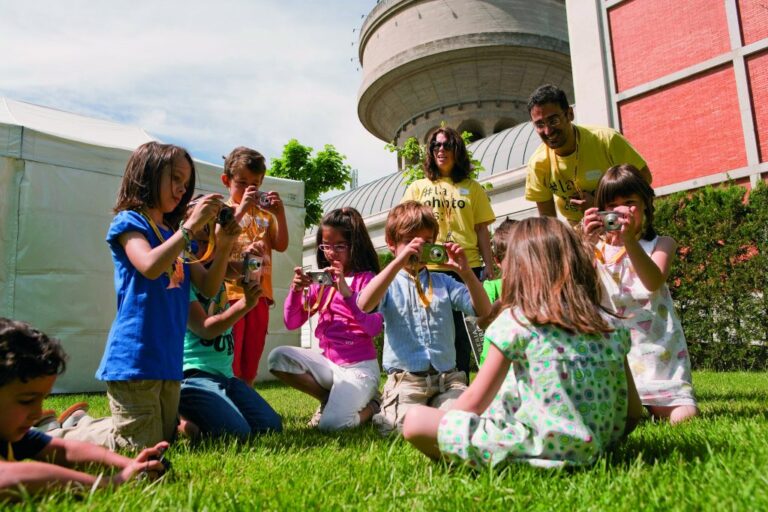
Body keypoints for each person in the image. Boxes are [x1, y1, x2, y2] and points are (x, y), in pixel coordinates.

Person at [402, 217, 643, 468]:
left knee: (417, 420)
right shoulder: (609, 324)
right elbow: (632, 412)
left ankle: (499, 460)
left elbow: (472, 402)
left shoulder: (515, 322)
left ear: (518, 269)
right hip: (594, 448)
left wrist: (447, 430)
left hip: (530, 446)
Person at [59, 142, 233, 451]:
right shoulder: (130, 223)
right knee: (138, 446)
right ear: (148, 174)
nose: (182, 189)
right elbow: (150, 266)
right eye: (176, 178)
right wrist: (191, 227)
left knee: (160, 440)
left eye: (186, 182)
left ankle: (85, 423)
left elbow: (207, 288)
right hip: (135, 357)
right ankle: (65, 432)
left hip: (167, 360)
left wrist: (226, 243)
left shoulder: (174, 235)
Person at [357, 201, 491, 436]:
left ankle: (430, 410)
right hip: (408, 381)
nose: (418, 250)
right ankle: (388, 406)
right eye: (410, 242)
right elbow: (364, 304)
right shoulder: (389, 284)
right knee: (401, 430)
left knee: (461, 426)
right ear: (392, 244)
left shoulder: (444, 283)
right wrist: (398, 262)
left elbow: (483, 310)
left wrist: (466, 272)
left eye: (426, 243)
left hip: (447, 380)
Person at [0, 318, 169, 500]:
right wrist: (111, 482)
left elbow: (64, 450)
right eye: (26, 400)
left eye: (42, 399)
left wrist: (131, 465)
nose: (36, 413)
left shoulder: (10, 436)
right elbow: (8, 477)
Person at [582, 164, 699, 424]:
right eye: (612, 204)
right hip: (617, 350)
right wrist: (584, 244)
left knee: (684, 417)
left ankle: (661, 402)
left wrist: (629, 242)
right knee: (616, 416)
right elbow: (581, 288)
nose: (621, 211)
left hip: (658, 348)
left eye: (629, 202)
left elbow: (652, 281)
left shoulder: (660, 244)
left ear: (646, 203)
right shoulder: (596, 249)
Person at [269, 207, 383, 431]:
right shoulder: (321, 281)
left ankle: (374, 406)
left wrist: (347, 294)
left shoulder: (367, 280)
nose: (331, 253)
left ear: (355, 245)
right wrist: (295, 291)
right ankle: (328, 400)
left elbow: (374, 328)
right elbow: (291, 322)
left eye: (339, 246)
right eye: (326, 246)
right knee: (277, 358)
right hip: (329, 365)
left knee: (331, 425)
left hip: (359, 368)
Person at [178, 200, 282, 440]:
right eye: (197, 242)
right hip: (194, 376)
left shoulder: (217, 268)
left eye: (210, 241)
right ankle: (180, 419)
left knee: (269, 427)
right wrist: (245, 305)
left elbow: (243, 269)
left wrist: (252, 259)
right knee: (237, 433)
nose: (203, 249)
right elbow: (205, 330)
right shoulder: (181, 277)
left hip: (226, 377)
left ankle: (202, 416)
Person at [401, 127, 496, 377]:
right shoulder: (417, 187)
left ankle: (460, 378)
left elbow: (482, 230)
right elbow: (405, 226)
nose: (441, 150)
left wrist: (489, 264)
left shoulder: (473, 188)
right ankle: (429, 378)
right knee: (432, 325)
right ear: (430, 153)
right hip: (428, 266)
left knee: (463, 329)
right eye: (436, 146)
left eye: (447, 145)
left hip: (465, 265)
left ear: (457, 150)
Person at [524, 84, 651, 225]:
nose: (548, 131)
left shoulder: (606, 140)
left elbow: (645, 180)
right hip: (581, 230)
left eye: (554, 121)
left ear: (569, 114)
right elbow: (548, 221)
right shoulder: (537, 164)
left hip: (624, 223)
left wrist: (599, 205)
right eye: (540, 125)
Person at [222, 147, 289, 386]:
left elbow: (281, 245)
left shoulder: (266, 214)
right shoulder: (225, 212)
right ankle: (229, 397)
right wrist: (241, 210)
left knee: (253, 349)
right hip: (231, 293)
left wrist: (280, 214)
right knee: (232, 349)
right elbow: (221, 238)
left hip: (259, 293)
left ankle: (247, 393)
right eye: (241, 183)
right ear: (226, 181)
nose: (249, 189)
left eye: (255, 184)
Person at [476, 217, 517, 365]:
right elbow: (481, 323)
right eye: (512, 259)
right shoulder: (492, 287)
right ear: (498, 261)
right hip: (494, 361)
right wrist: (508, 295)